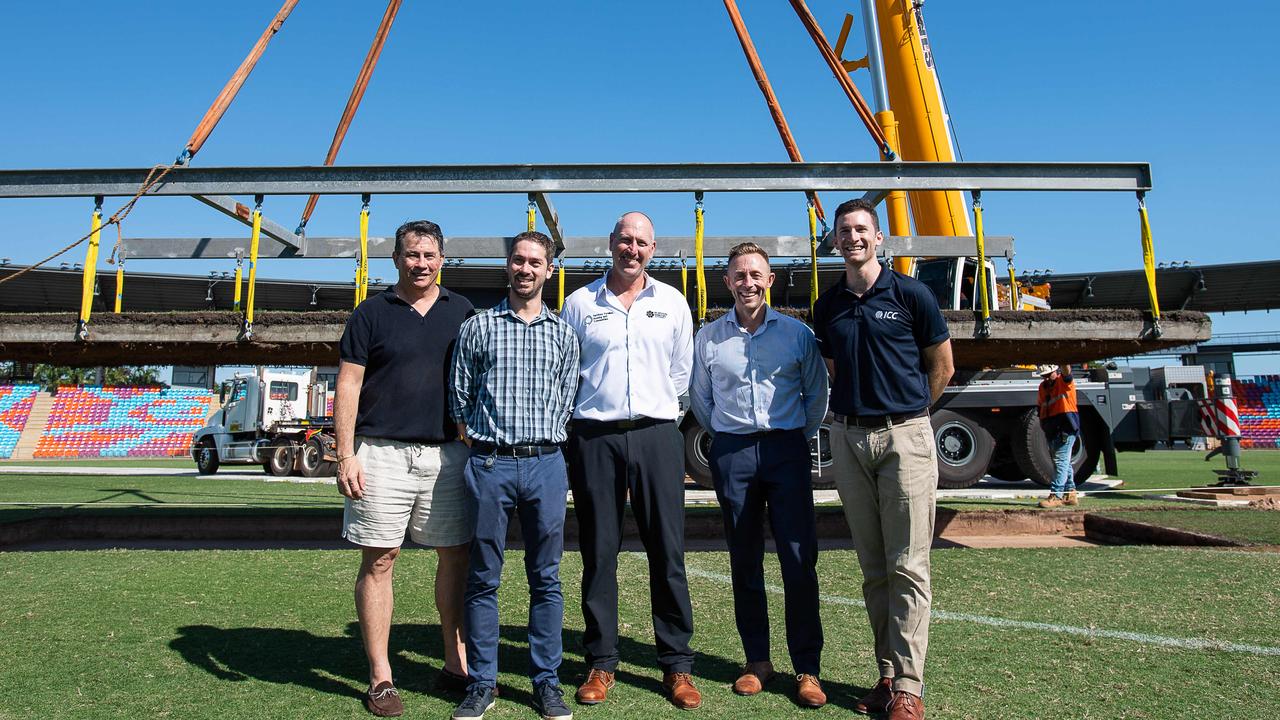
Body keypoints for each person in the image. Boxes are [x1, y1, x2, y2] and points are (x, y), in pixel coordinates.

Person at [812, 198, 954, 720]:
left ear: (878, 237)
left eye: (861, 229)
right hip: (849, 440)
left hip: (906, 437)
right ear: (835, 240)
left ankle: (910, 690)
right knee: (874, 568)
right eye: (844, 230)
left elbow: (942, 366)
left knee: (908, 565)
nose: (853, 237)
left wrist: (911, 415)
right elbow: (832, 370)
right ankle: (888, 676)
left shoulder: (911, 294)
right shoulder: (828, 306)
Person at [559, 211, 701, 710]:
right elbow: (566, 371)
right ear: (610, 243)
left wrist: (660, 420)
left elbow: (681, 373)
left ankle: (677, 665)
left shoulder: (673, 303)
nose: (632, 250)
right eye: (625, 240)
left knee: (668, 551)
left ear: (653, 249)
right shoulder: (579, 304)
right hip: (595, 437)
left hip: (657, 435)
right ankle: (601, 661)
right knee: (598, 552)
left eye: (641, 243)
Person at [334, 219, 475, 718]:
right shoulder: (370, 313)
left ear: (443, 259)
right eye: (412, 254)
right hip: (381, 454)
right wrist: (345, 453)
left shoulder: (463, 312)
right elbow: (348, 385)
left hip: (446, 456)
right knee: (379, 560)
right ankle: (380, 676)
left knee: (455, 557)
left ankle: (455, 664)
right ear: (396, 258)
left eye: (430, 255)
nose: (421, 263)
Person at [689, 242, 829, 707]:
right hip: (733, 454)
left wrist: (789, 438)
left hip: (786, 449)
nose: (748, 282)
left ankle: (807, 668)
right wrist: (732, 442)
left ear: (769, 280)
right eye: (739, 275)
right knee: (744, 560)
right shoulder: (708, 338)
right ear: (726, 282)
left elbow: (816, 396)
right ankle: (757, 662)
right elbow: (702, 400)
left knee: (797, 558)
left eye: (756, 274)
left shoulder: (796, 334)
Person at [448, 231, 580, 720]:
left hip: (546, 463)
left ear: (550, 271)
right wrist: (482, 444)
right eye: (519, 261)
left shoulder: (564, 333)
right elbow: (459, 395)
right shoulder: (479, 327)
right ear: (509, 266)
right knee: (484, 577)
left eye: (536, 262)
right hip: (490, 464)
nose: (526, 269)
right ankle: (483, 682)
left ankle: (546, 681)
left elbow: (567, 398)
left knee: (546, 578)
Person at [1036, 364, 1081, 508]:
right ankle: (1070, 493)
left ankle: (1056, 495)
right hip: (1052, 429)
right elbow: (1041, 406)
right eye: (1044, 376)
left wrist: (1063, 360)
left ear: (1056, 370)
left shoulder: (1064, 381)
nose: (1047, 378)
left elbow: (1067, 371)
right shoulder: (1042, 388)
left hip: (1065, 428)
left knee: (1060, 462)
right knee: (1063, 463)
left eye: (1049, 374)